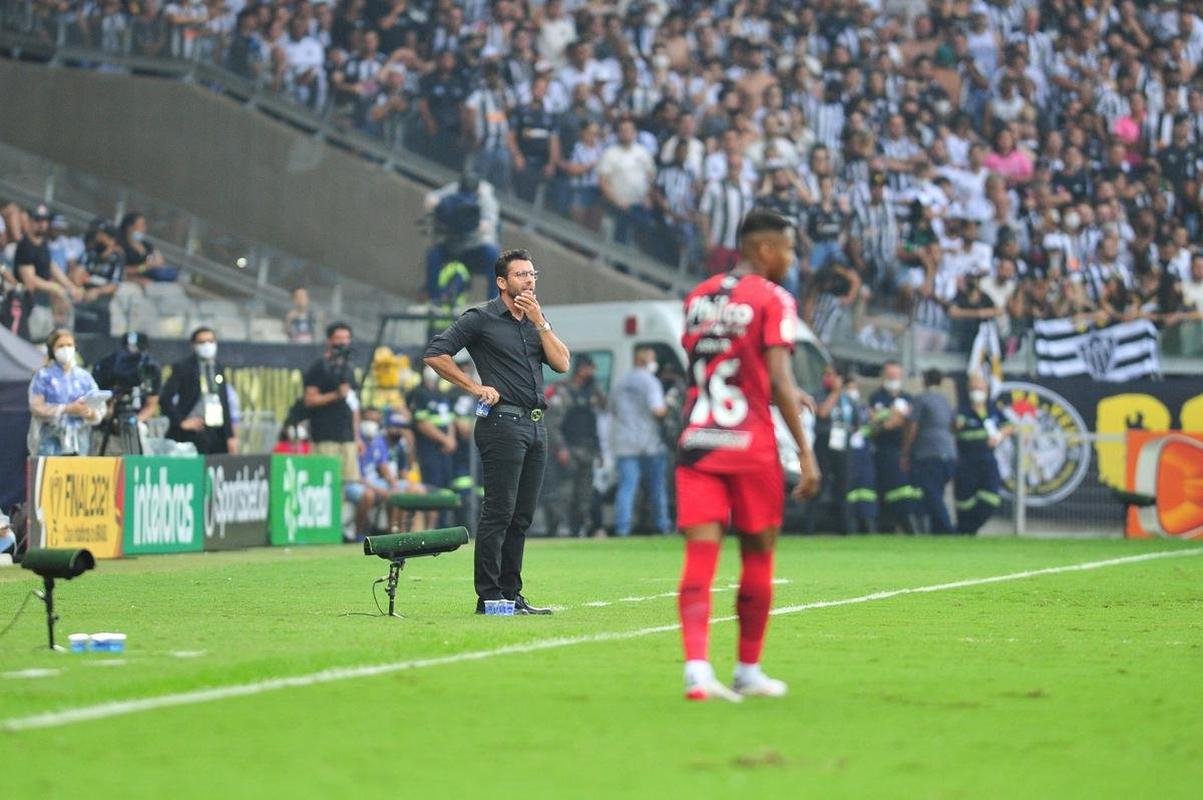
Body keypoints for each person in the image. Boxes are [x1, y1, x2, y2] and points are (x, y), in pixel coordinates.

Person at [674, 209, 821, 702]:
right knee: (758, 554)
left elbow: (717, 364)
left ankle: (697, 672)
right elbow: (778, 377)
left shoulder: (697, 297)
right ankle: (747, 669)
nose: (792, 260)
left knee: (700, 556)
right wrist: (805, 453)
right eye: (789, 249)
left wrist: (775, 389)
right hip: (751, 446)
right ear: (764, 249)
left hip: (700, 440)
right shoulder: (774, 298)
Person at [423, 249, 571, 615]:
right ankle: (489, 596)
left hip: (536, 425)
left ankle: (511, 594)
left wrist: (540, 321)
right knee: (499, 512)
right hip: (502, 423)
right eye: (521, 275)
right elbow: (435, 354)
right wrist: (474, 387)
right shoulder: (481, 318)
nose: (529, 280)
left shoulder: (535, 321)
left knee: (521, 517)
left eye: (532, 274)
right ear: (502, 282)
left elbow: (562, 363)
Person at [610, 347, 672, 537]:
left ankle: (622, 528)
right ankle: (662, 525)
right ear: (642, 361)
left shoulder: (621, 382)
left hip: (625, 443)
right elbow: (657, 410)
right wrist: (670, 405)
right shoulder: (650, 382)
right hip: (649, 443)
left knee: (627, 487)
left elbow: (611, 408)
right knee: (657, 488)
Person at [545, 354, 606, 537]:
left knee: (584, 494)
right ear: (581, 369)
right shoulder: (564, 392)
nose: (593, 373)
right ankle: (558, 528)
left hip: (587, 449)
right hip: (569, 450)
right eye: (590, 369)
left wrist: (599, 451)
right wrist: (561, 448)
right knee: (565, 492)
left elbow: (600, 412)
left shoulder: (591, 392)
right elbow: (553, 424)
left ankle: (577, 528)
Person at [27, 328, 105, 456]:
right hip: (50, 441)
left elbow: (99, 408)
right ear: (52, 349)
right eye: (61, 346)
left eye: (69, 345)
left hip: (79, 441)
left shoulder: (84, 377)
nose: (66, 349)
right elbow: (37, 407)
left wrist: (88, 412)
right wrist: (67, 409)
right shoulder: (43, 376)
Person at [303, 323, 363, 487]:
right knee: (325, 482)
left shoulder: (349, 368)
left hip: (347, 437)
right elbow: (310, 399)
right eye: (338, 338)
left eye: (346, 338)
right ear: (329, 341)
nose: (343, 343)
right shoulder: (320, 366)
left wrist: (357, 436)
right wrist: (335, 395)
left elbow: (354, 405)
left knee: (348, 484)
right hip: (325, 436)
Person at [161, 327, 237, 455]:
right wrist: (180, 422)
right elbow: (165, 398)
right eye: (202, 342)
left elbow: (224, 401)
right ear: (193, 345)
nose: (207, 345)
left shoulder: (218, 367)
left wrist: (230, 436)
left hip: (217, 431)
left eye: (211, 341)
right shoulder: (183, 367)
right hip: (193, 432)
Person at [901, 368, 957, 535]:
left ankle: (947, 529)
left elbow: (913, 427)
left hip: (928, 453)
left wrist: (905, 451)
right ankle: (936, 531)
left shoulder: (921, 399)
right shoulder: (946, 401)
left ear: (924, 380)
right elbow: (953, 425)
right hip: (949, 453)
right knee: (937, 491)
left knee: (931, 493)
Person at [954, 374, 1011, 535]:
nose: (977, 391)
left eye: (980, 388)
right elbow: (955, 426)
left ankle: (969, 529)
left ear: (986, 390)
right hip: (967, 461)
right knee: (965, 501)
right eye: (974, 388)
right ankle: (963, 531)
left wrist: (999, 435)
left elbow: (1010, 426)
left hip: (987, 459)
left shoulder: (992, 409)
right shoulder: (963, 410)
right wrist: (957, 424)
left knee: (991, 497)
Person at [91, 331, 162, 456]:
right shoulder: (107, 366)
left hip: (138, 427)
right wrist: (109, 411)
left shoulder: (150, 368)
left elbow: (152, 404)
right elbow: (98, 401)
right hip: (108, 430)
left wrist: (135, 421)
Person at [15, 205, 81, 332]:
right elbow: (29, 280)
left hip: (44, 303)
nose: (41, 224)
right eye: (37, 220)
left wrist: (70, 286)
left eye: (44, 220)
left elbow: (50, 265)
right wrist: (56, 288)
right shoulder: (26, 245)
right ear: (30, 221)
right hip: (29, 304)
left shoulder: (43, 242)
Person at [869, 361, 917, 534]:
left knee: (901, 491)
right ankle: (885, 528)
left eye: (896, 376)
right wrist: (893, 419)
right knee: (883, 491)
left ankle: (908, 527)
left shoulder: (907, 398)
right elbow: (875, 423)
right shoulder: (876, 397)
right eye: (890, 376)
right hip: (882, 450)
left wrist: (892, 419)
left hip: (901, 451)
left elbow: (908, 424)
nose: (893, 379)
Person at [408, 365, 459, 525]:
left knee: (446, 488)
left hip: (446, 451)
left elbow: (449, 420)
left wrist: (451, 439)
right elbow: (422, 423)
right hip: (429, 450)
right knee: (432, 487)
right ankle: (431, 527)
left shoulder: (442, 395)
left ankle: (444, 524)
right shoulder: (419, 394)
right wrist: (445, 440)